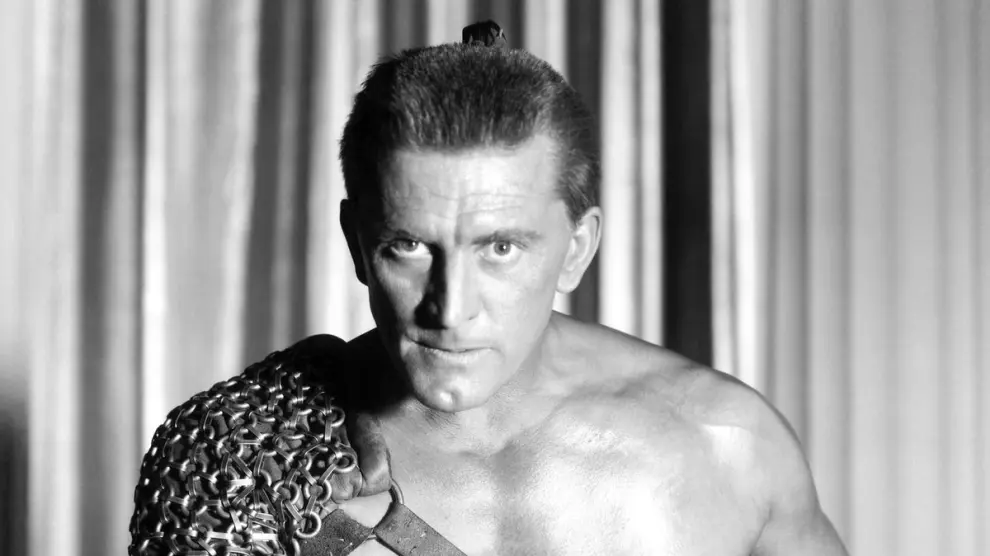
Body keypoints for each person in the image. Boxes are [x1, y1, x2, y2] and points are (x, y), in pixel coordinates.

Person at [130, 21, 847, 556]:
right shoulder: (250, 454)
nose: (451, 308)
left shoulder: (728, 450)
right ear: (356, 243)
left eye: (500, 249)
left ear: (576, 250)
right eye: (408, 246)